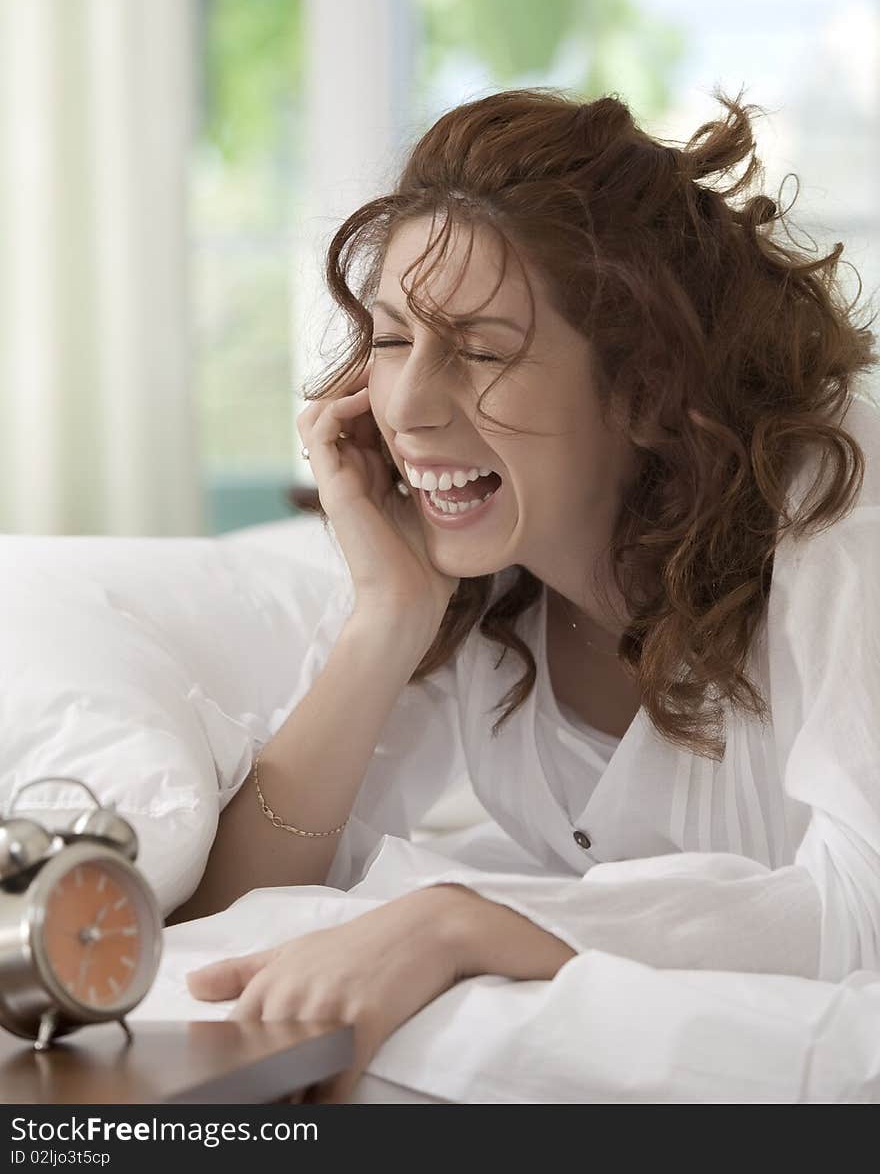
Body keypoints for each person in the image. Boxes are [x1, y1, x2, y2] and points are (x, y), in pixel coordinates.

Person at [170, 86, 880, 1103]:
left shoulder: (837, 496)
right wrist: (386, 618)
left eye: (480, 348)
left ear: (641, 386)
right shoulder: (475, 574)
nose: (407, 404)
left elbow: (863, 912)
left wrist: (462, 921)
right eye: (387, 336)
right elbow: (231, 903)